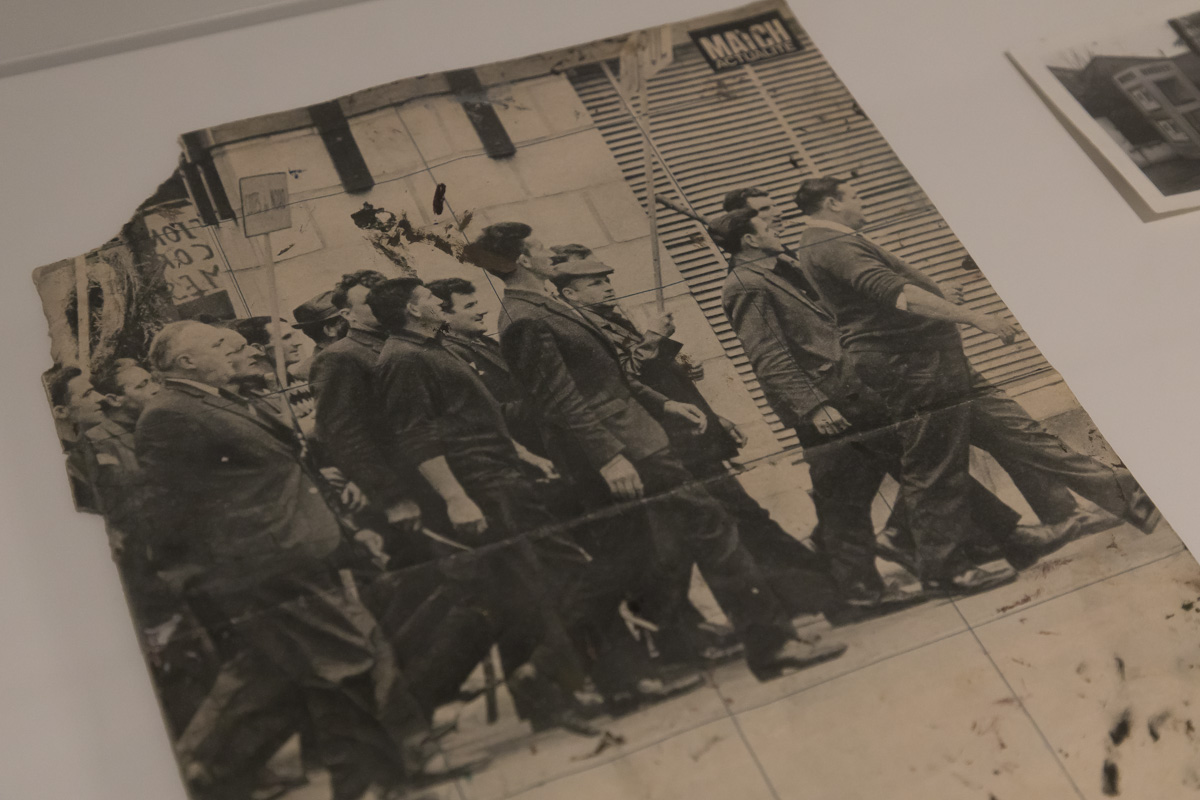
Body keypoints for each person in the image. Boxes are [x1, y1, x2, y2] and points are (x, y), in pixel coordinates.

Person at [467, 221, 848, 682]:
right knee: (709, 529)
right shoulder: (523, 318)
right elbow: (559, 399)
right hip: (626, 450)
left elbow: (609, 378)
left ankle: (549, 668)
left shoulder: (544, 305)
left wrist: (666, 404)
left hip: (639, 438)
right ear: (524, 259)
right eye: (540, 247)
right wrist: (609, 456)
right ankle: (772, 645)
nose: (550, 253)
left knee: (646, 556)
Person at [136, 320, 458, 800]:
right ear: (187, 362)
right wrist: (193, 575)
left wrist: (344, 532)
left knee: (315, 668)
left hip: (295, 548)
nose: (233, 349)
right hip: (263, 562)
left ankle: (363, 779)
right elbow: (167, 507)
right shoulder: (169, 415)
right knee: (349, 657)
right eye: (220, 344)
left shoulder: (222, 399)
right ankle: (392, 765)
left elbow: (288, 472)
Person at [787, 177, 1160, 590]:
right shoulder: (830, 243)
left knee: (1020, 433)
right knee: (936, 468)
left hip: (935, 359)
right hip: (911, 366)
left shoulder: (831, 242)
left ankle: (1130, 497)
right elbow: (897, 294)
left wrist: (937, 293)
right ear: (832, 203)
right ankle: (943, 571)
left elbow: (893, 294)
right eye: (855, 196)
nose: (863, 202)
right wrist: (977, 318)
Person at [547, 253, 851, 620]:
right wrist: (654, 338)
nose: (607, 287)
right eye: (595, 283)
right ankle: (825, 599)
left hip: (688, 436)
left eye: (606, 279)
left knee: (728, 527)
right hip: (668, 446)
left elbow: (660, 381)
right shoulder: (583, 333)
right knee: (737, 523)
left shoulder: (610, 320)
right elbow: (625, 382)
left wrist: (714, 416)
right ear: (570, 295)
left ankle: (794, 606)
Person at [369, 277, 602, 735]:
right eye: (429, 297)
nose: (437, 301)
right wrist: (456, 498)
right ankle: (542, 681)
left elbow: (473, 416)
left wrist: (524, 455)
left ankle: (545, 698)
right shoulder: (402, 359)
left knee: (525, 595)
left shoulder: (432, 347)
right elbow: (416, 435)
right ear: (413, 310)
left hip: (501, 476)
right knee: (568, 576)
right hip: (484, 487)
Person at [48, 365, 106, 513]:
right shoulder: (66, 466)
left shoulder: (91, 445)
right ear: (61, 411)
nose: (101, 398)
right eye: (87, 394)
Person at [290, 289, 349, 381]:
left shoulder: (353, 356)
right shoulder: (311, 373)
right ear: (330, 330)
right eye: (347, 318)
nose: (356, 322)